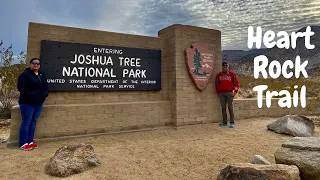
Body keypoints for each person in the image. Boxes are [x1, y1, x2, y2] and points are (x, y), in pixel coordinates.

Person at [17, 58, 48, 150]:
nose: (36, 65)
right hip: (27, 103)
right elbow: (21, 88)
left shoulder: (42, 75)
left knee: (33, 122)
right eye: (34, 63)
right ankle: (23, 143)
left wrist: (44, 95)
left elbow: (45, 87)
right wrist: (32, 96)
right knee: (26, 122)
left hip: (39, 103)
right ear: (30, 64)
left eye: (38, 63)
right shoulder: (24, 75)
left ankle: (30, 141)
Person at [215, 62, 240, 128]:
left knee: (230, 108)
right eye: (224, 66)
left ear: (228, 67)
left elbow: (236, 83)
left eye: (226, 66)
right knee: (223, 108)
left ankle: (232, 122)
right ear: (222, 67)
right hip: (221, 93)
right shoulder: (219, 75)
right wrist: (218, 93)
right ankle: (224, 122)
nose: (225, 67)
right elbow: (217, 84)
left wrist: (235, 92)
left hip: (229, 93)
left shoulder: (232, 74)